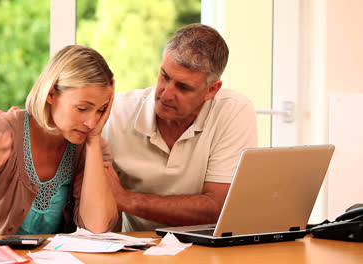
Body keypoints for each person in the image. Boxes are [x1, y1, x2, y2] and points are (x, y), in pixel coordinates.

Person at [0, 45, 118, 240]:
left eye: (100, 110)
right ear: (51, 93)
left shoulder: (90, 148)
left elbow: (97, 226)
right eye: (82, 108)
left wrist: (94, 140)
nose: (92, 122)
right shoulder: (2, 130)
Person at [102, 23, 258, 232]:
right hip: (137, 248)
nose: (166, 94)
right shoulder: (117, 113)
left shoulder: (234, 110)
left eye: (183, 87)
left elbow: (219, 207)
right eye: (164, 76)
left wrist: (127, 200)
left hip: (207, 248)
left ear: (211, 89)